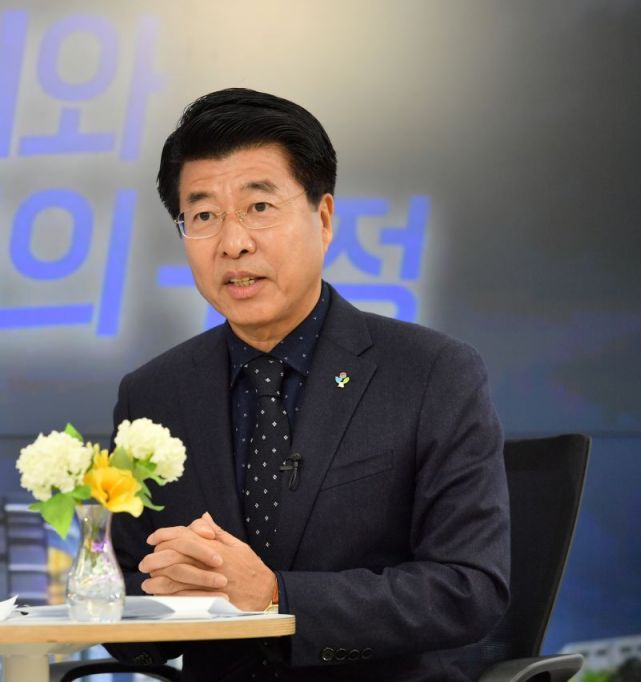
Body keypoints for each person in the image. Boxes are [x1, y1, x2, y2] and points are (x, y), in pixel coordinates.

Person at [108, 88, 510, 681]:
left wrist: (277, 598)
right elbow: (127, 614)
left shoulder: (431, 374)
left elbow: (468, 588)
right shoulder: (153, 394)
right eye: (204, 216)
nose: (233, 243)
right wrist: (154, 599)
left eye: (259, 207)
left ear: (323, 220)